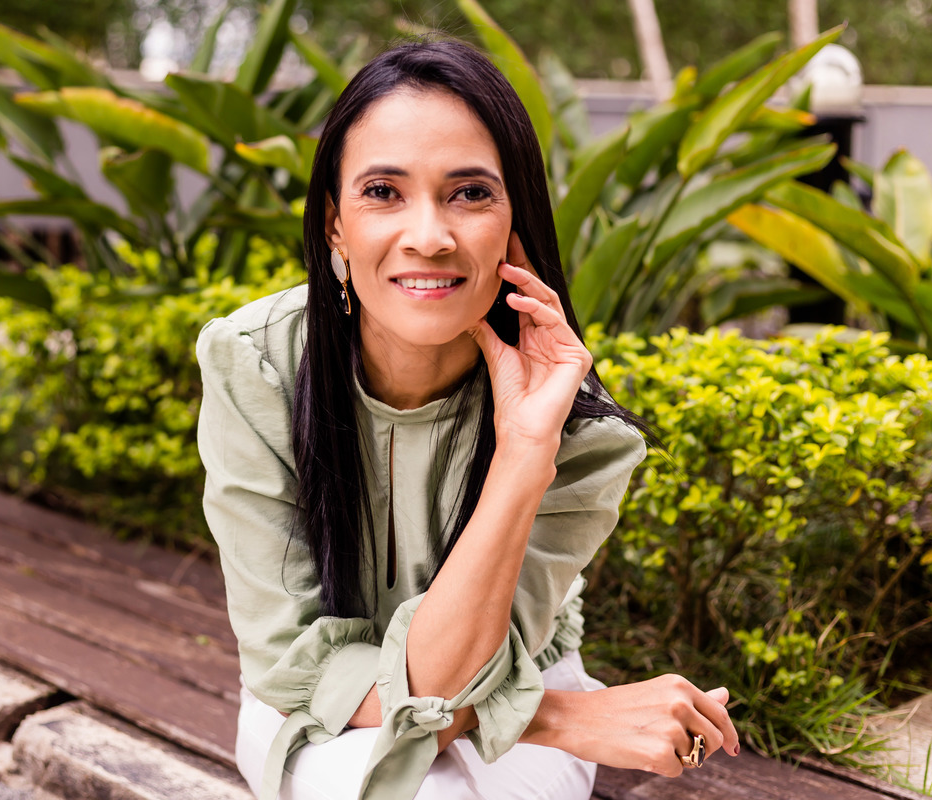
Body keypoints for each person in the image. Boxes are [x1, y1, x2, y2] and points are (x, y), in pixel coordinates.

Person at [196, 37, 739, 800]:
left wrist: (524, 448)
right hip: (321, 705)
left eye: (470, 194)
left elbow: (470, 673)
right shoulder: (255, 365)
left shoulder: (580, 434)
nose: (428, 236)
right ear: (334, 225)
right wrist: (564, 719)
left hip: (512, 681)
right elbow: (294, 665)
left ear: (518, 221)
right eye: (382, 191)